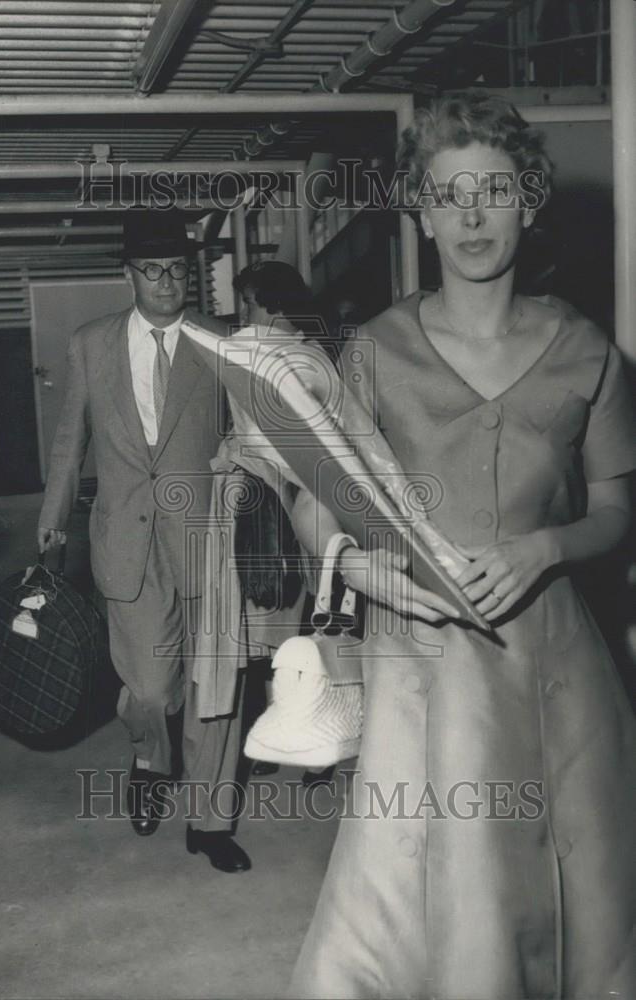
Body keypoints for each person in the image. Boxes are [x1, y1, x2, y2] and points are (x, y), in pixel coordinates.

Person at [289, 93, 636, 998]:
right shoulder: (372, 351)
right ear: (421, 212)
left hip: (559, 667)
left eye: (493, 190)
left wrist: (544, 549)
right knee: (430, 907)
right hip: (423, 667)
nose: (473, 215)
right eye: (450, 195)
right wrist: (362, 568)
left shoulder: (586, 349)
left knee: (579, 907)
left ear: (528, 200)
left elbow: (614, 510)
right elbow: (315, 504)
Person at [37, 210, 250, 873]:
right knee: (152, 691)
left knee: (214, 686)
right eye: (152, 271)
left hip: (207, 536)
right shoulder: (91, 344)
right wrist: (51, 526)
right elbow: (70, 443)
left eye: (178, 271)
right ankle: (150, 763)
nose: (166, 283)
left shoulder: (221, 342)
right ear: (127, 274)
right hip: (126, 542)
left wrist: (243, 479)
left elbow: (248, 436)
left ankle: (210, 824)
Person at [189, 261, 335, 784]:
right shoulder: (313, 353)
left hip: (279, 503)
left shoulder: (272, 354)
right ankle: (293, 739)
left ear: (273, 304)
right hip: (290, 503)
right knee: (286, 628)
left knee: (275, 628)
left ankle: (303, 740)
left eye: (248, 302)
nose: (241, 313)